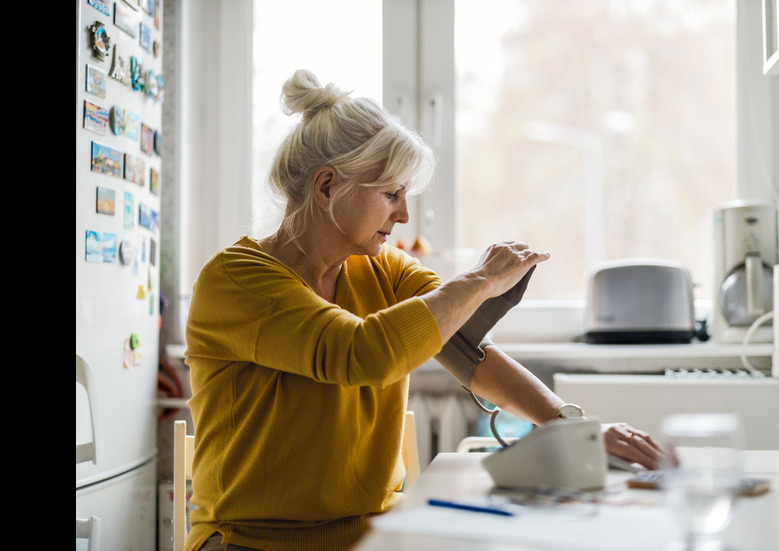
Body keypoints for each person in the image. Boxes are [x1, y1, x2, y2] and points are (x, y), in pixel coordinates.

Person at [183, 69, 667, 551]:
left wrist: (574, 429)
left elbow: (462, 345)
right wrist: (479, 280)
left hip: (375, 535)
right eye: (390, 194)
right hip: (252, 542)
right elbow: (360, 354)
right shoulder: (238, 281)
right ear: (327, 187)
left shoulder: (384, 270)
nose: (403, 215)